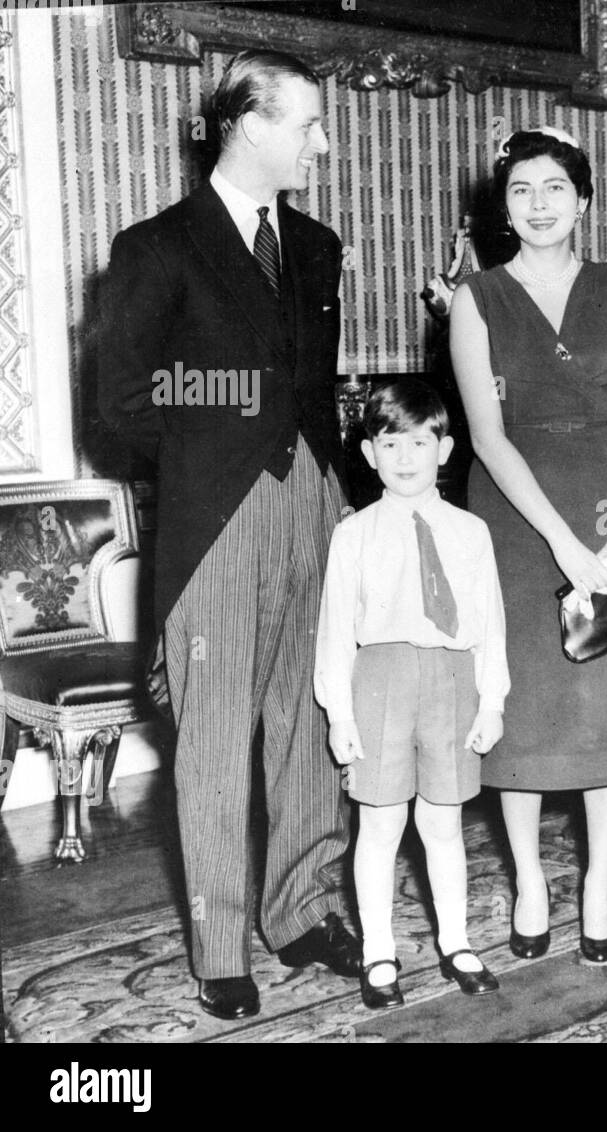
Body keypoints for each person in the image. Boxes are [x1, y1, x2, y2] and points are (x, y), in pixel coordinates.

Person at [98, 50, 361, 1020]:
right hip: (216, 512)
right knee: (212, 734)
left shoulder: (320, 244)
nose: (322, 144)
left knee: (313, 716)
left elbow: (317, 384)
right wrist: (220, 432)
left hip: (317, 500)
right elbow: (120, 403)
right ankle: (219, 945)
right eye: (308, 125)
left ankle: (302, 911)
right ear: (248, 125)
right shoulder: (156, 249)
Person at [449, 127, 607, 963]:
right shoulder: (479, 298)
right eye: (521, 192)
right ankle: (531, 881)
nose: (538, 206)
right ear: (504, 207)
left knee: (603, 694)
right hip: (514, 515)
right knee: (525, 699)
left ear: (585, 200)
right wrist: (562, 542)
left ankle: (600, 881)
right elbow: (489, 438)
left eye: (555, 189)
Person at [314, 381, 508, 1006]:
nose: (404, 456)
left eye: (419, 442)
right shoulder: (353, 534)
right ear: (369, 454)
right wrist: (339, 715)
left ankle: (456, 940)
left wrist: (493, 701)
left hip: (451, 682)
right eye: (389, 442)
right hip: (381, 682)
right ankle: (378, 952)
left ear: (444, 449)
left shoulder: (471, 532)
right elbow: (336, 632)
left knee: (445, 823)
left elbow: (490, 624)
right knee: (378, 825)